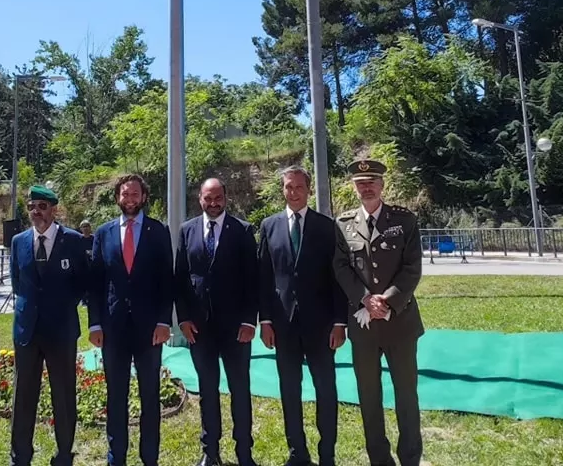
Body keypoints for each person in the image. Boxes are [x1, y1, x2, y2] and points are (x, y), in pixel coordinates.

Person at [333, 158, 424, 466]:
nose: (366, 187)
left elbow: (412, 269)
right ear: (354, 188)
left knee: (406, 396)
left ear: (382, 185)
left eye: (371, 181)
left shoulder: (405, 220)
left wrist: (385, 300)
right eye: (360, 183)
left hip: (400, 322)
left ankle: (410, 457)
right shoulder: (343, 224)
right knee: (369, 399)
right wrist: (363, 299)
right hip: (364, 327)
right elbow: (341, 267)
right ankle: (379, 459)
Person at [258, 166, 346, 466]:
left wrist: (339, 322)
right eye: (287, 187)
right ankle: (298, 452)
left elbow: (338, 278)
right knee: (289, 391)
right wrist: (266, 321)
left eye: (298, 187)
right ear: (282, 190)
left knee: (325, 390)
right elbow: (265, 277)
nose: (293, 192)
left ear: (308, 190)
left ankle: (327, 454)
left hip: (321, 327)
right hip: (283, 326)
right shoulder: (269, 226)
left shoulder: (326, 226)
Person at [88, 173, 173, 466]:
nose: (130, 199)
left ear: (144, 197)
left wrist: (164, 322)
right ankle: (116, 457)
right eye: (125, 194)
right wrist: (95, 323)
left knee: (150, 396)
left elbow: (167, 281)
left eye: (135, 194)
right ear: (117, 198)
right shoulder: (103, 233)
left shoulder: (158, 231)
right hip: (113, 329)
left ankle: (150, 457)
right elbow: (96, 283)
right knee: (116, 396)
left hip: (150, 329)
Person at [175, 178, 259, 466]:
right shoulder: (187, 231)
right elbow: (180, 278)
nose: (213, 203)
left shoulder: (243, 230)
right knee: (207, 390)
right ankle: (210, 452)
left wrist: (250, 321)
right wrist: (183, 319)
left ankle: (244, 452)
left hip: (236, 329)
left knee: (240, 390)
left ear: (226, 197)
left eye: (218, 198)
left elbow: (253, 280)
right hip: (200, 329)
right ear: (199, 198)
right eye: (208, 198)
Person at [10, 185, 88, 466]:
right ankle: (20, 455)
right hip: (27, 330)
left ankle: (64, 454)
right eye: (32, 207)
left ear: (54, 210)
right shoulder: (18, 241)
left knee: (64, 395)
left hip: (61, 330)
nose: (36, 212)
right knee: (23, 396)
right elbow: (18, 282)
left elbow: (82, 283)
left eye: (42, 207)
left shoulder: (74, 241)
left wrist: (62, 305)